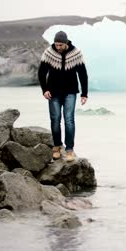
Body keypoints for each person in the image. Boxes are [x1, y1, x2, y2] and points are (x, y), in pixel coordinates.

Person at [38, 31, 88, 162]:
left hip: (70, 92)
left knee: (69, 120)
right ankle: (57, 147)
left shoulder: (76, 54)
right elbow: (41, 73)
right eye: (56, 44)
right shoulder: (49, 53)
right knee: (55, 120)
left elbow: (83, 74)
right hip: (53, 92)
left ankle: (69, 150)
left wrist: (84, 93)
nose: (58, 47)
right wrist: (44, 90)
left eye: (60, 45)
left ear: (66, 43)